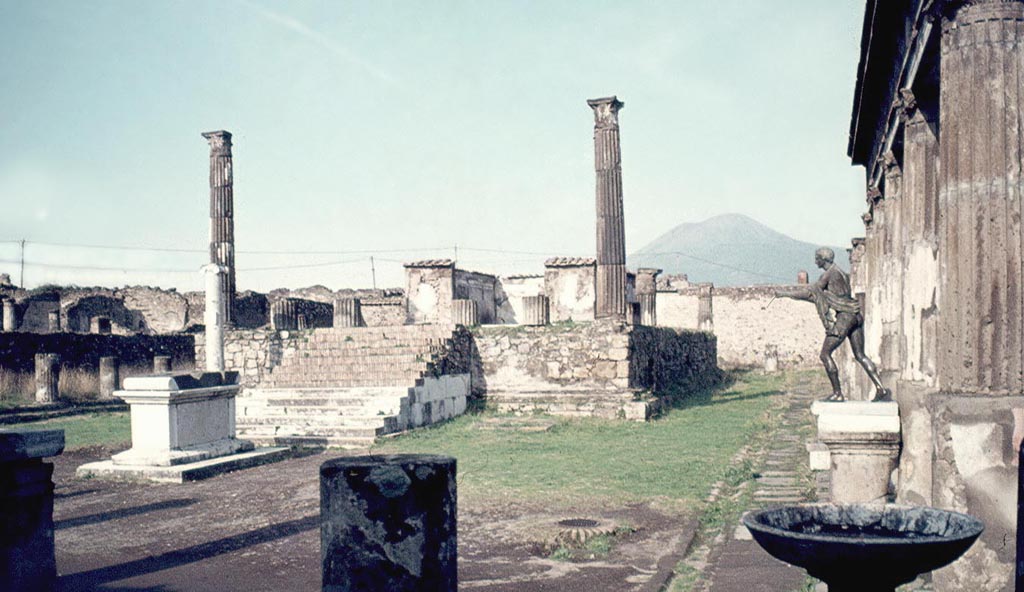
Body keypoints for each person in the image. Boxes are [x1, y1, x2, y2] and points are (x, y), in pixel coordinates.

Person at [775, 247, 891, 402]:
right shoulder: (841, 273)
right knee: (860, 355)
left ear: (823, 259)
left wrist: (785, 294)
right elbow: (828, 296)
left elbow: (811, 293)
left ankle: (837, 393)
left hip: (845, 318)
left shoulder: (829, 275)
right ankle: (880, 388)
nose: (815, 261)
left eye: (817, 258)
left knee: (825, 354)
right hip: (856, 315)